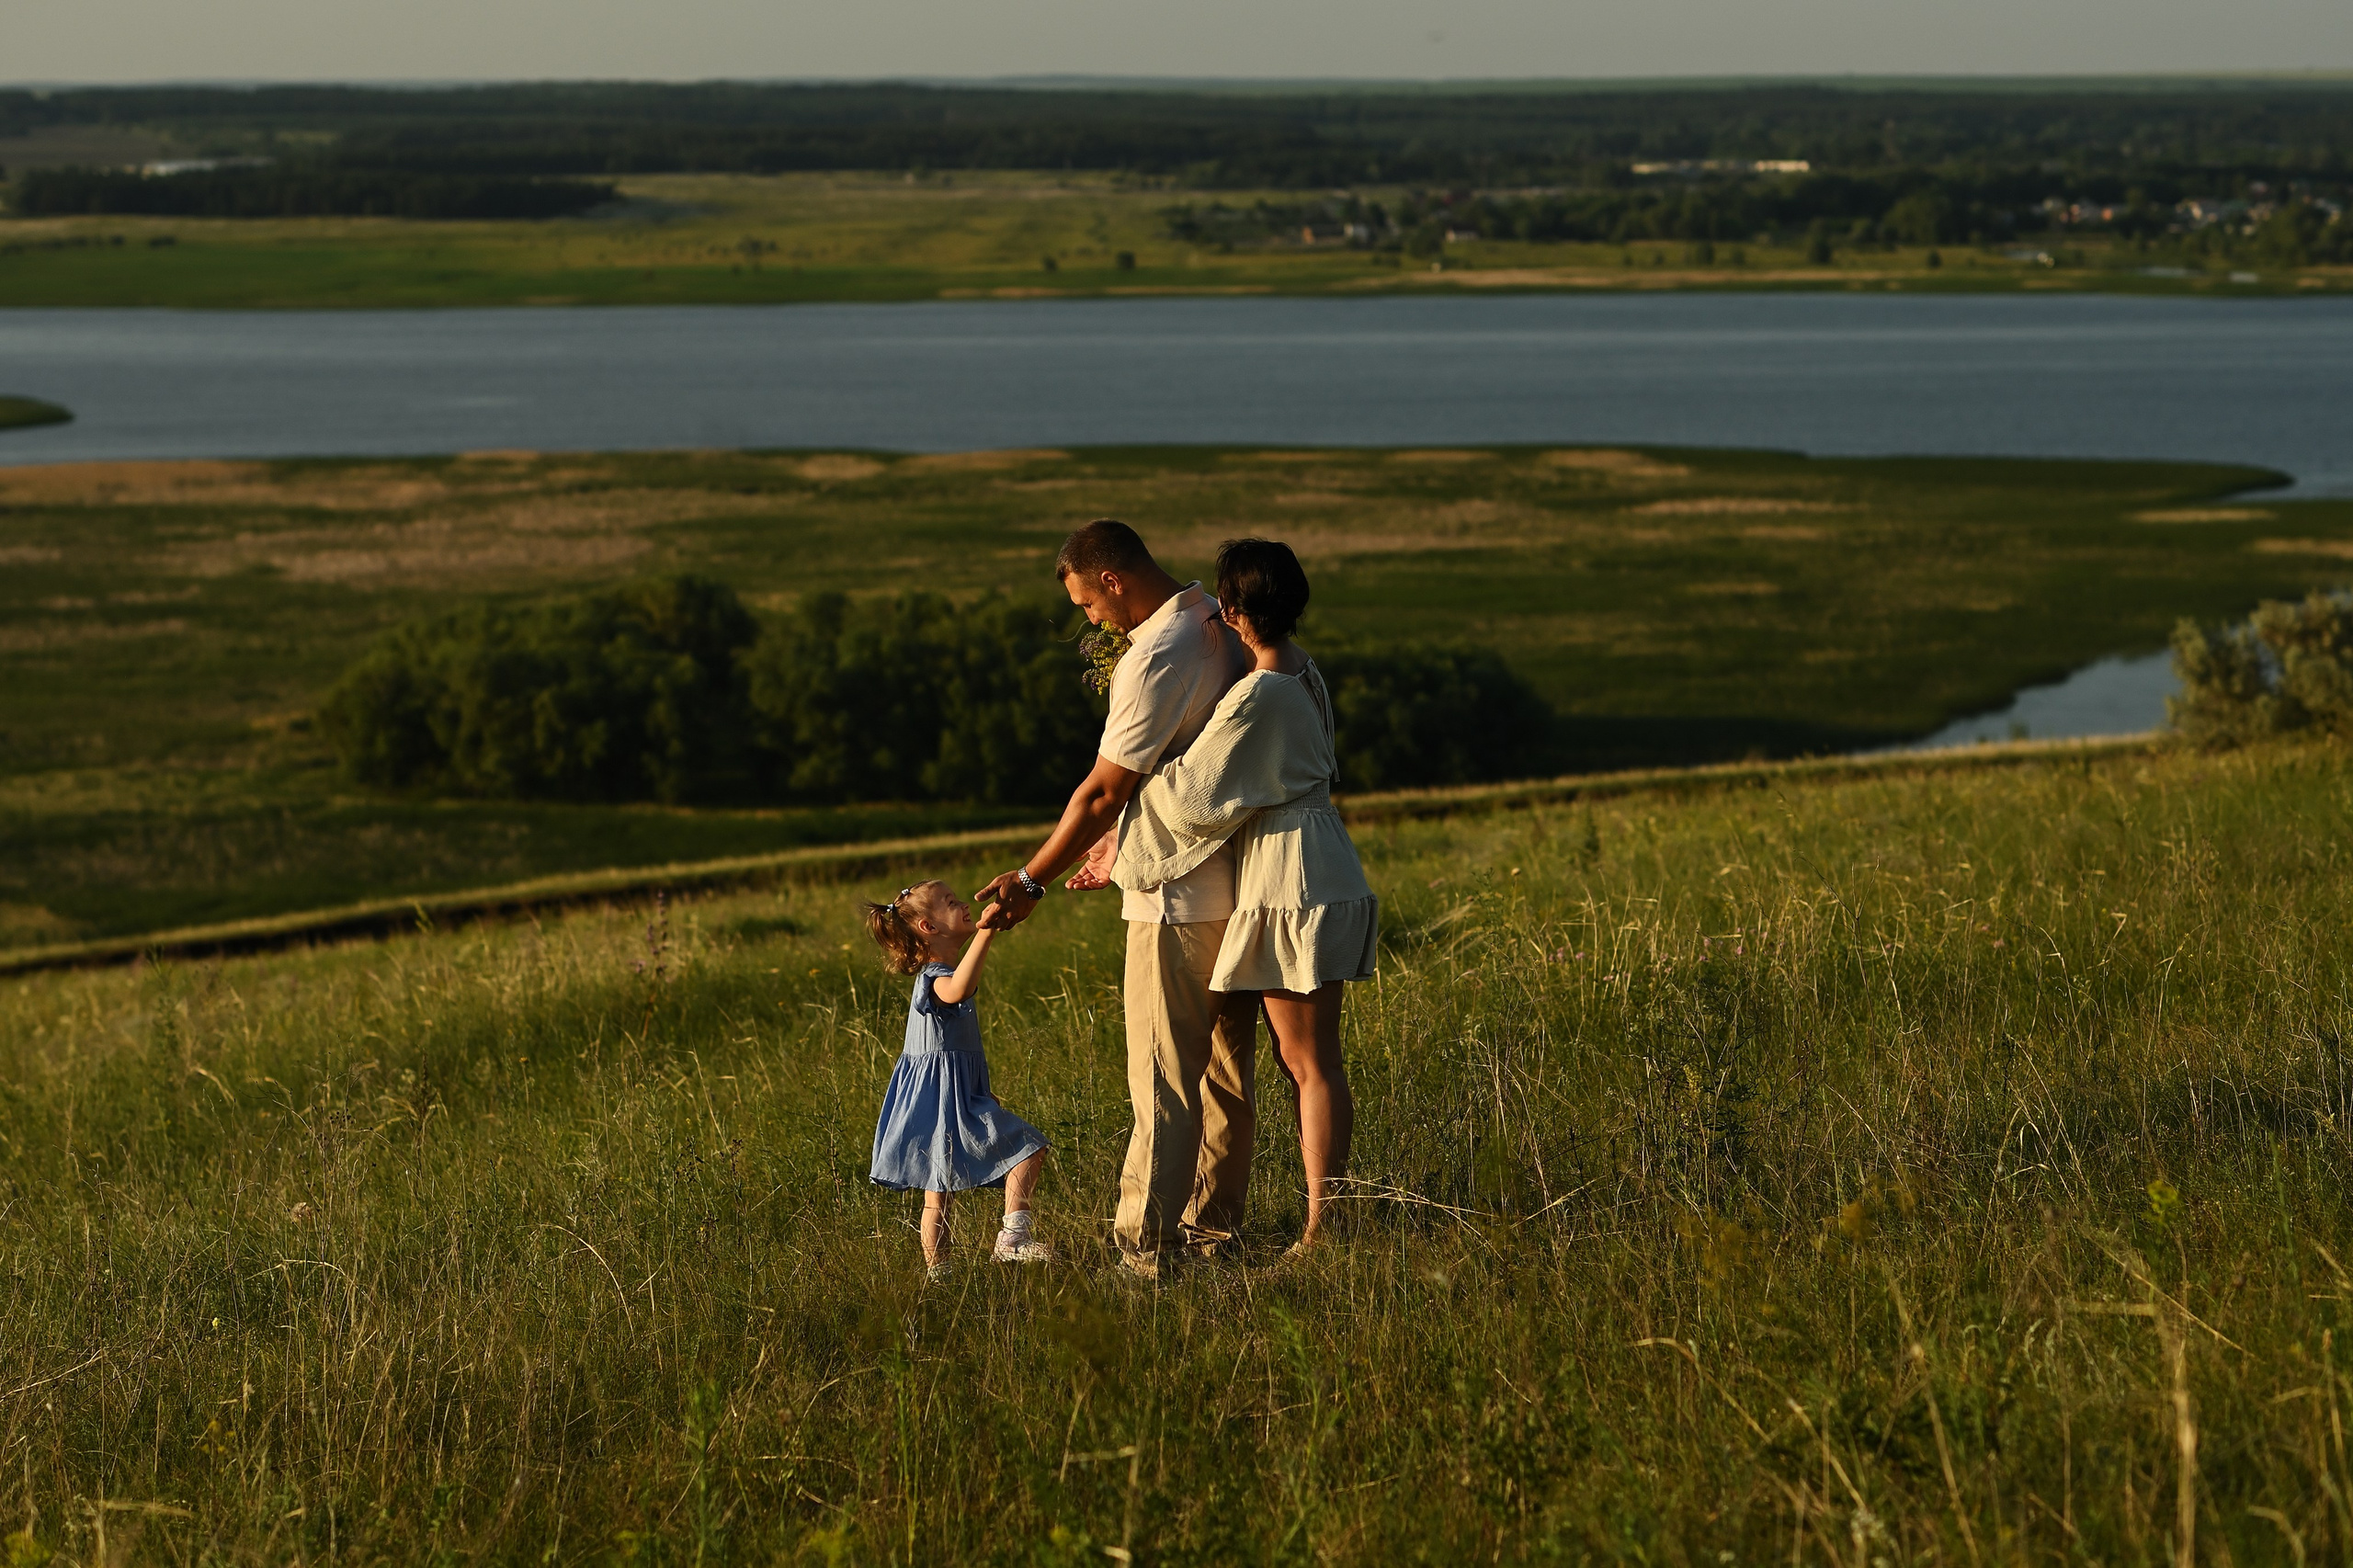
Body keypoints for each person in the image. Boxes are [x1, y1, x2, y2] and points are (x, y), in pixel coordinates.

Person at [976, 519, 1256, 1278]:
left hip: (1175, 895)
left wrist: (1031, 878)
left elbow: (1103, 790)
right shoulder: (1216, 619)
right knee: (1225, 1078)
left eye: (1088, 607)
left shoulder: (1157, 652)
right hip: (1242, 880)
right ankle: (1212, 1234)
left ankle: (1145, 1252)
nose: (1092, 623)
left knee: (1164, 1078)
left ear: (1112, 580)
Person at [1107, 538, 1378, 1251]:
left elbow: (1194, 796)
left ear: (1230, 610)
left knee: (1309, 1063)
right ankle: (1324, 1216)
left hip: (1291, 874)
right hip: (1320, 857)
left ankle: (1325, 1228)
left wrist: (1127, 801)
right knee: (1311, 1061)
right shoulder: (1303, 670)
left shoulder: (1258, 693)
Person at [859, 879, 1053, 1280]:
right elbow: (958, 988)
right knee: (1026, 1149)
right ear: (930, 928)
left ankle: (941, 1274)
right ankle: (1009, 1240)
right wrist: (987, 931)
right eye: (951, 902)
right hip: (939, 1100)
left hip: (956, 1096)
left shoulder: (943, 973)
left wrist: (980, 1091)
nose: (962, 903)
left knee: (939, 1192)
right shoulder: (935, 977)